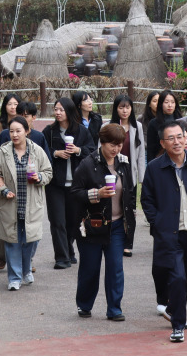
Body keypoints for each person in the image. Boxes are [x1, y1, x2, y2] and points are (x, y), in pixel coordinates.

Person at [141, 118, 187, 345]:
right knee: (178, 277)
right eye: (170, 138)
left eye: (180, 136)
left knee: (186, 277)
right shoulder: (154, 167)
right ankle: (178, 326)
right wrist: (158, 223)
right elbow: (147, 200)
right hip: (168, 232)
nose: (176, 141)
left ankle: (174, 309)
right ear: (162, 143)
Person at [73, 122, 130, 322]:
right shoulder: (88, 164)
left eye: (119, 144)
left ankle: (114, 308)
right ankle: (84, 304)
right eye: (111, 144)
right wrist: (97, 193)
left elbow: (130, 192)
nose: (115, 149)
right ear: (102, 143)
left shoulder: (123, 162)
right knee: (90, 267)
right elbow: (75, 193)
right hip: (93, 224)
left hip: (116, 225)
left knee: (115, 268)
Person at [0, 115, 46, 289]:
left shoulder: (37, 151)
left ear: (27, 132)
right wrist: (2, 188)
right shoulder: (3, 152)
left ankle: (26, 269)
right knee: (12, 241)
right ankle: (14, 277)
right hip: (10, 203)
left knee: (31, 240)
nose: (14, 134)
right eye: (11, 131)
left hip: (31, 204)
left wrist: (39, 177)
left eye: (18, 131)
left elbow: (48, 172)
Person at [44, 100, 82, 268]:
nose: (58, 112)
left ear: (69, 111)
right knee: (57, 221)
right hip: (55, 184)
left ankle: (69, 249)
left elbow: (91, 151)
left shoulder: (81, 131)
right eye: (55, 109)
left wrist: (78, 150)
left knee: (73, 221)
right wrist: (55, 153)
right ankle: (61, 257)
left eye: (61, 109)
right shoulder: (49, 132)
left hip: (76, 184)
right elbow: (41, 152)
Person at [110, 92, 147, 222]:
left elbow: (141, 152)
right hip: (113, 170)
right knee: (114, 202)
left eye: (127, 107)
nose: (125, 111)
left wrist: (142, 177)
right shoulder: (108, 127)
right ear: (116, 109)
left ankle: (128, 231)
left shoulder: (137, 127)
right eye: (121, 107)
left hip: (130, 171)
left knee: (129, 204)